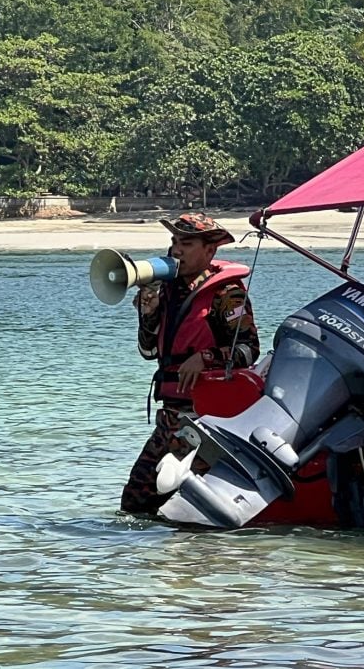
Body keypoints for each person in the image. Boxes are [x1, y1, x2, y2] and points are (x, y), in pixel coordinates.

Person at [120, 212, 261, 515]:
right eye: (174, 242)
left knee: (183, 503)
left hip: (207, 420)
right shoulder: (166, 290)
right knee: (136, 502)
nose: (176, 250)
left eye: (186, 243)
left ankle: (196, 559)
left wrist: (206, 357)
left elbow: (250, 350)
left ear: (209, 251)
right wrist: (148, 311)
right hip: (171, 417)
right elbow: (148, 350)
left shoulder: (227, 294)